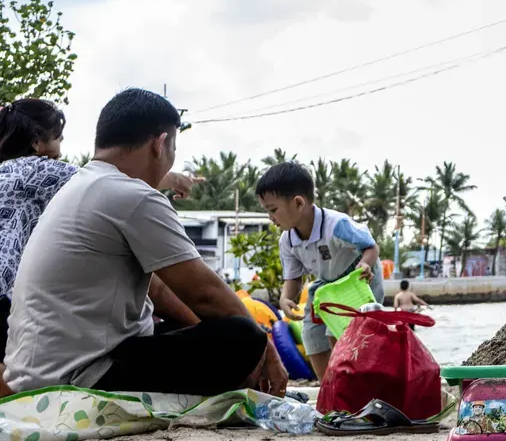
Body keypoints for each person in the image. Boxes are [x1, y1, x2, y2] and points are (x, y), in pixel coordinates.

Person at [1, 88, 286, 398]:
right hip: (79, 375)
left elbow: (160, 291)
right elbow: (205, 294)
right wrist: (264, 347)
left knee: (197, 328)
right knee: (242, 336)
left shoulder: (81, 185)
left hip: (39, 368)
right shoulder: (133, 196)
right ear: (159, 144)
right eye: (173, 148)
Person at [0, 100, 197, 376]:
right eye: (59, 138)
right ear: (36, 142)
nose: (60, 150)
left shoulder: (7, 172)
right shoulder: (37, 170)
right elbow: (106, 176)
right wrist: (174, 179)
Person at [256, 161, 383, 381]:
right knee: (311, 336)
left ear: (298, 203)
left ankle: (352, 384)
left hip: (357, 281)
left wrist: (365, 264)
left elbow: (371, 246)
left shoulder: (336, 225)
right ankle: (328, 387)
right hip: (326, 285)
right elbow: (294, 277)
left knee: (340, 334)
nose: (270, 217)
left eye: (273, 210)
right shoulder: (287, 240)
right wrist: (286, 298)